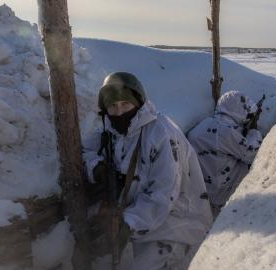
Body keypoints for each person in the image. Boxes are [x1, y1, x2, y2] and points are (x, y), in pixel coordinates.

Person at [82, 72, 213, 269]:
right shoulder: (112, 131)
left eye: (125, 105)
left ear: (138, 103)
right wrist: (96, 166)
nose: (119, 112)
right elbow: (83, 151)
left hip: (177, 223)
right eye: (113, 106)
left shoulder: (161, 133)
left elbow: (163, 193)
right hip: (142, 220)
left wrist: (127, 224)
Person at [187, 91, 263, 217]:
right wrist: (254, 133)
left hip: (202, 193)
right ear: (238, 111)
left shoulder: (205, 124)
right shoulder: (224, 131)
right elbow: (252, 153)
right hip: (223, 194)